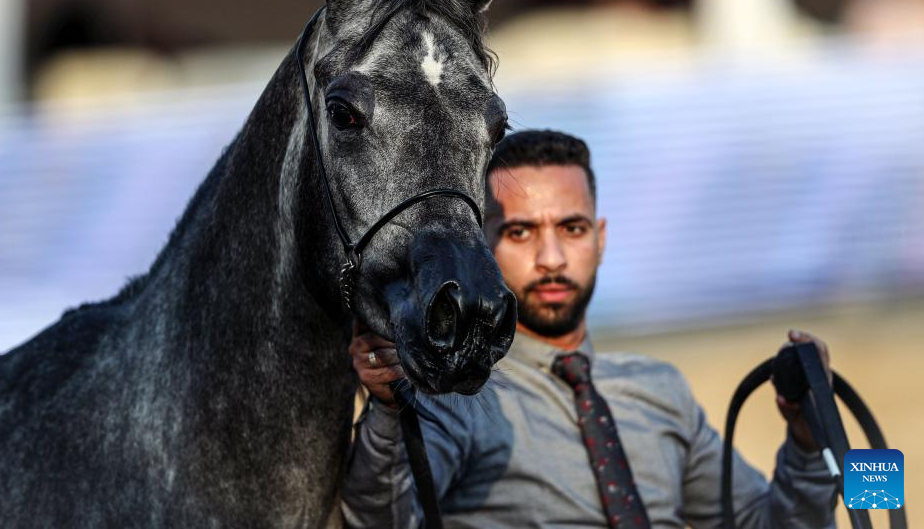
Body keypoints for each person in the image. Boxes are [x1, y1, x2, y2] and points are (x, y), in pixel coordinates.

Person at [342, 130, 837, 528]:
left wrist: (806, 440)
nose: (552, 259)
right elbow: (381, 520)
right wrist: (387, 414)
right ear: (481, 244)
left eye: (572, 229)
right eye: (520, 232)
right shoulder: (456, 396)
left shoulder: (660, 389)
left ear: (599, 240)